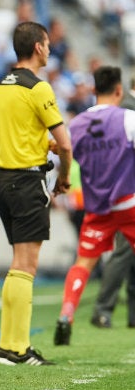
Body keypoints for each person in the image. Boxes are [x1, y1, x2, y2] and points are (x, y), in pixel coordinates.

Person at [0, 21, 72, 366]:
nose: (50, 49)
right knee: (27, 266)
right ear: (38, 47)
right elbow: (66, 146)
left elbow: (22, 132)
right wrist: (64, 179)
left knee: (17, 265)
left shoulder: (2, 85)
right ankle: (18, 349)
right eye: (48, 44)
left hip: (3, 180)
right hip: (26, 183)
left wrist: (44, 142)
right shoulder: (39, 88)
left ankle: (7, 345)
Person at [54, 66, 135, 345]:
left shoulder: (75, 125)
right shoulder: (128, 119)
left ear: (92, 90)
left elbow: (61, 150)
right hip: (128, 201)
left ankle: (67, 313)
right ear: (119, 90)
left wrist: (62, 179)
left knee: (84, 262)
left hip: (97, 207)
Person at [90, 75, 135, 329]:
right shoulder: (128, 108)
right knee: (124, 251)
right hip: (127, 190)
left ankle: (132, 314)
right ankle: (103, 308)